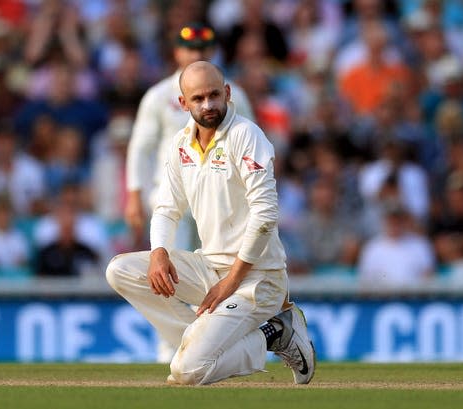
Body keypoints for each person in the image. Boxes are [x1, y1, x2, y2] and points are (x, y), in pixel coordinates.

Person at [106, 62, 315, 385]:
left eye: (214, 95)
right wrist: (159, 252)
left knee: (187, 372)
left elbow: (265, 215)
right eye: (198, 98)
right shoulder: (181, 144)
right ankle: (195, 341)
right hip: (209, 267)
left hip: (258, 279)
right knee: (120, 270)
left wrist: (231, 281)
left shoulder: (246, 135)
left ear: (227, 94)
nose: (208, 105)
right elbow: (165, 208)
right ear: (183, 103)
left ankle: (274, 334)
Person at [124, 22, 253, 363]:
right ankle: (175, 344)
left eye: (202, 49)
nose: (195, 54)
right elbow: (141, 147)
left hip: (221, 196)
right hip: (174, 196)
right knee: (168, 275)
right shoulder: (158, 96)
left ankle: (214, 342)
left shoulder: (232, 94)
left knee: (220, 273)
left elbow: (253, 144)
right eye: (189, 49)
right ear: (177, 52)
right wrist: (134, 193)